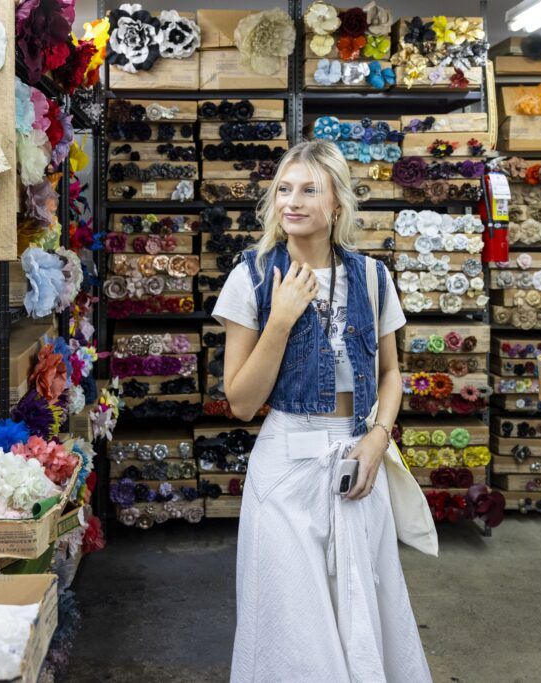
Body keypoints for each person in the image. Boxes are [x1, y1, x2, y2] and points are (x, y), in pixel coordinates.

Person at [212, 140, 433, 682]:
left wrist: (379, 439)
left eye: (310, 189)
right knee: (293, 625)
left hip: (357, 461)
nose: (293, 201)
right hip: (285, 465)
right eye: (284, 189)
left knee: (363, 610)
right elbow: (240, 402)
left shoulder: (373, 278)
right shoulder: (253, 278)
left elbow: (389, 373)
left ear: (336, 203)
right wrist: (281, 320)